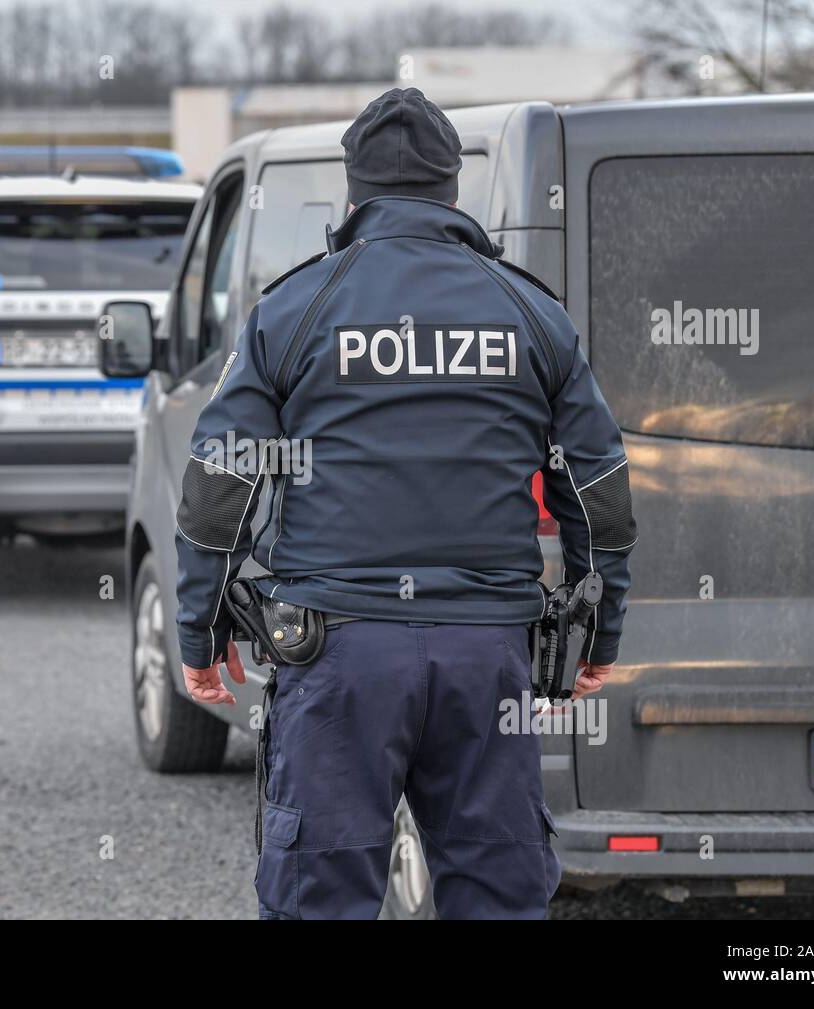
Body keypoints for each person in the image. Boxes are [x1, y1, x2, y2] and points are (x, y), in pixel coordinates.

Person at [174, 88, 637, 919]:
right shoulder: (531, 313)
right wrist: (598, 631)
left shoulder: (295, 307)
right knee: (497, 893)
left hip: (338, 657)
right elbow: (597, 491)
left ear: (353, 192)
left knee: (321, 894)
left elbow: (220, 487)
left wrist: (200, 631)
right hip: (487, 655)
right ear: (454, 190)